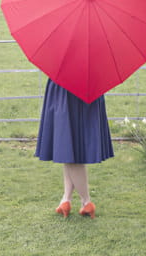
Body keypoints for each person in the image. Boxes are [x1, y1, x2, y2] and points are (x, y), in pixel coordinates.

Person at [35, 78, 114, 219]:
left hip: (63, 89)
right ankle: (66, 199)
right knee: (69, 149)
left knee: (69, 147)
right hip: (88, 87)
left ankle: (86, 201)